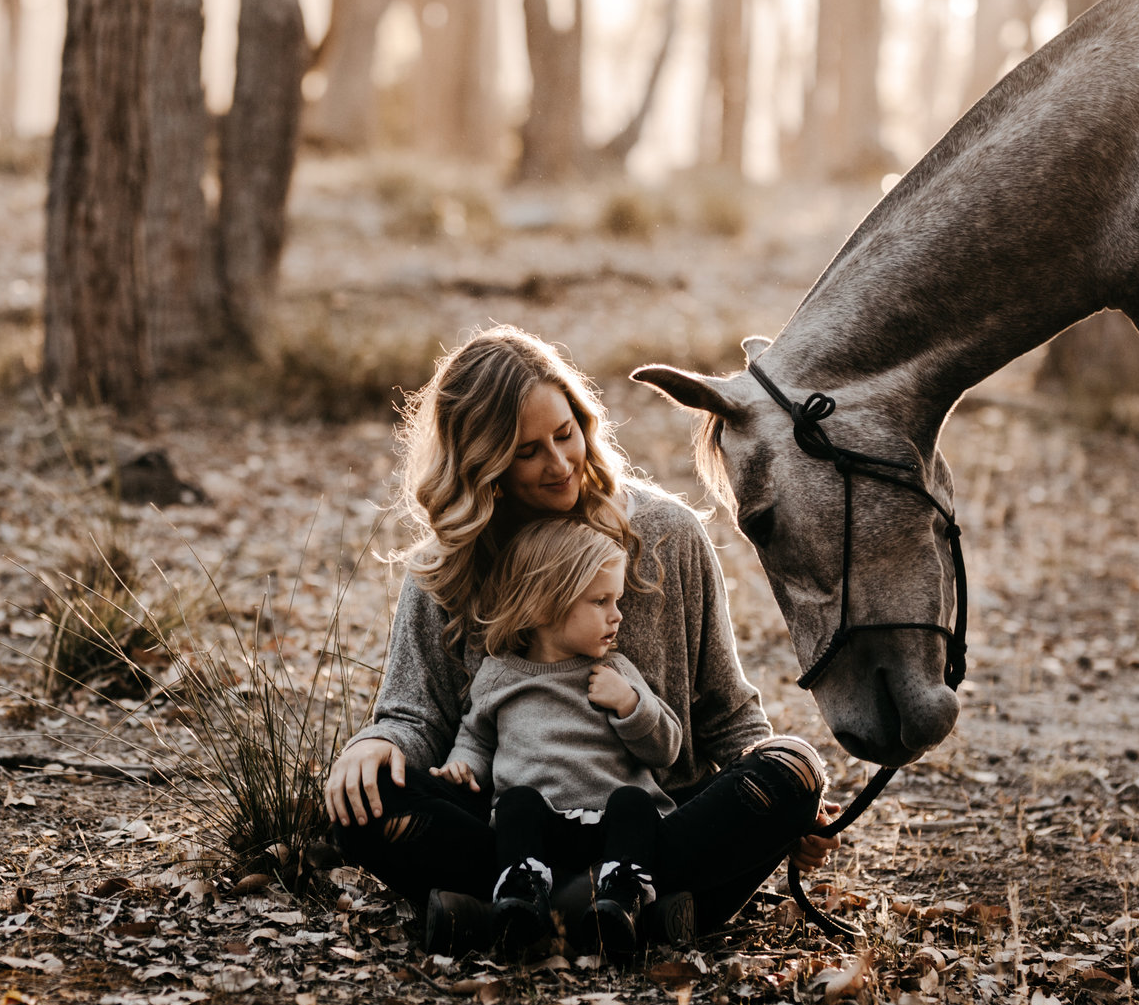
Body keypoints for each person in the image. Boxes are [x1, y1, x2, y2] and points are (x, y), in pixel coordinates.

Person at [322, 325, 838, 950]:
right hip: (511, 828)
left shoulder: (666, 533)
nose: (560, 462)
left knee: (792, 769)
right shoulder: (450, 562)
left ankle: (509, 915)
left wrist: (786, 809)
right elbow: (415, 713)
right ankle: (635, 913)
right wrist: (374, 743)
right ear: (480, 461)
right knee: (360, 797)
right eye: (526, 451)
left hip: (650, 822)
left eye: (564, 434)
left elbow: (726, 710)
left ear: (584, 421)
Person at [428, 519, 681, 955]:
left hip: (609, 829)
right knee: (516, 804)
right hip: (543, 829)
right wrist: (462, 764)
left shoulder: (616, 672)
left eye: (615, 600)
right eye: (600, 601)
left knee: (635, 803)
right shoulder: (501, 675)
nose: (617, 615)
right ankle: (522, 896)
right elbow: (475, 737)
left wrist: (630, 705)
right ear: (544, 607)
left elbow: (666, 749)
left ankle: (621, 899)